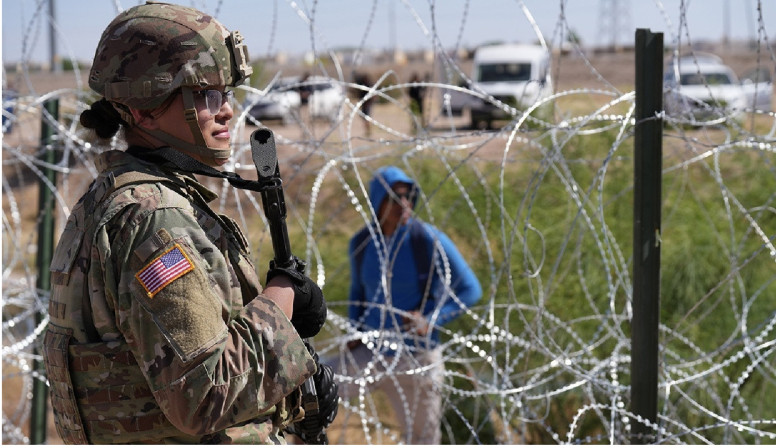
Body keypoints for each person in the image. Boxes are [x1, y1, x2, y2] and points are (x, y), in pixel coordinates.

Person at [41, 2, 337, 444]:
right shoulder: (152, 217)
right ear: (143, 110)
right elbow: (205, 395)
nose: (226, 111)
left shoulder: (118, 196)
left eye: (226, 94)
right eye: (204, 95)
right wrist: (282, 299)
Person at [331, 165, 482, 444]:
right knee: (309, 391)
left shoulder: (427, 239)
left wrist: (432, 319)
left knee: (423, 440)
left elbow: (470, 289)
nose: (404, 204)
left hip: (416, 359)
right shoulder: (363, 243)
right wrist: (355, 331)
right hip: (371, 353)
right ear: (378, 202)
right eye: (395, 197)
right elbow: (358, 292)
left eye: (409, 196)